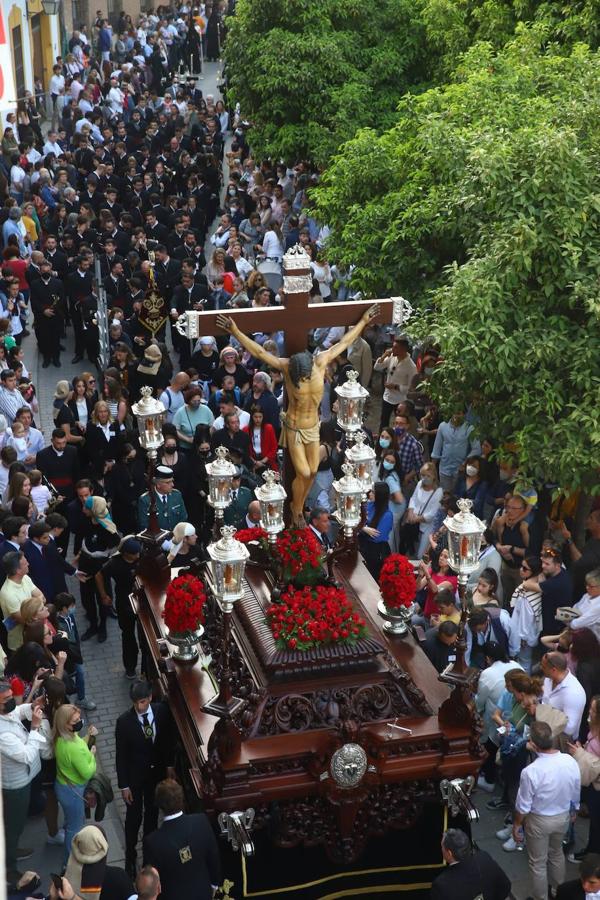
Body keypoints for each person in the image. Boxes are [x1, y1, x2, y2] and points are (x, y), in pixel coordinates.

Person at [216, 304, 380, 523]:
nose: (302, 381)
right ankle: (296, 508)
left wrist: (363, 322)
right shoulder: (286, 366)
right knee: (303, 472)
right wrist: (235, 331)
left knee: (312, 471)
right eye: (298, 380)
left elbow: (344, 342)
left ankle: (298, 506)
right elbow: (259, 352)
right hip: (294, 427)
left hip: (313, 426)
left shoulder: (321, 361)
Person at [513, 720, 581, 900]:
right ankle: (559, 891)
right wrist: (574, 809)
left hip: (539, 821)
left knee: (538, 863)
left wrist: (517, 824)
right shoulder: (569, 761)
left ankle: (540, 898)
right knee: (557, 853)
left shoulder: (531, 771)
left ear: (534, 745)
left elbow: (523, 805)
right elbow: (576, 789)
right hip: (562, 816)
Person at [116, 681, 175, 879]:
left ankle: (148, 857)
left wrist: (169, 765)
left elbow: (167, 741)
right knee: (133, 818)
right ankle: (130, 856)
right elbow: (121, 756)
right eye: (135, 703)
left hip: (155, 776)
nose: (139, 706)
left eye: (142, 702)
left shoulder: (161, 712)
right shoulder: (124, 722)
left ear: (149, 698)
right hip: (134, 778)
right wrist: (124, 785)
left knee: (152, 814)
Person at [0, 678, 46, 888]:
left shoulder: (6, 713)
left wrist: (33, 706)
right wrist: (34, 727)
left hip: (23, 779)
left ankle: (12, 849)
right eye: (6, 699)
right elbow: (26, 755)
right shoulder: (2, 734)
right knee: (13, 826)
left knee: (14, 824)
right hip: (16, 785)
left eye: (11, 696)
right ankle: (9, 869)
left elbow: (17, 712)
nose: (11, 701)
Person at [143, 778, 221, 900]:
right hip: (203, 893)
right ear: (181, 798)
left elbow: (151, 880)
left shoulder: (152, 842)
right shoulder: (201, 821)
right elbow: (213, 857)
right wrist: (214, 884)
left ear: (159, 805)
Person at [53, 703, 98, 866]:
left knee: (70, 820)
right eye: (75, 721)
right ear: (65, 724)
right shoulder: (72, 748)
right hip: (73, 793)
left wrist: (87, 737)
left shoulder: (62, 737)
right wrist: (92, 756)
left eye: (79, 718)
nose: (79, 722)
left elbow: (79, 744)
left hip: (64, 786)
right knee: (75, 827)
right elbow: (87, 772)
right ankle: (69, 862)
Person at [475, 642, 523, 792]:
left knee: (492, 746)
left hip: (505, 723)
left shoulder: (488, 674)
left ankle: (490, 779)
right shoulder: (516, 666)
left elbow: (480, 700)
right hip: (508, 720)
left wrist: (478, 710)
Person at [96, 538, 141, 679]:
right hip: (124, 603)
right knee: (128, 636)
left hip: (142, 601)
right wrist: (104, 595)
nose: (137, 556)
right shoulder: (114, 564)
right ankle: (130, 667)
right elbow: (99, 575)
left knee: (145, 635)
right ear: (125, 553)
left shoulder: (141, 558)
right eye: (134, 554)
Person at [78, 497, 121, 644]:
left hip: (101, 568)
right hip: (85, 565)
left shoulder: (108, 528)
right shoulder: (85, 521)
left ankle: (102, 626)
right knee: (87, 597)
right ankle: (93, 625)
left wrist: (105, 557)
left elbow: (116, 546)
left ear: (94, 510)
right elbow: (81, 539)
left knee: (103, 598)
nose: (83, 509)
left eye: (86, 507)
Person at [430, 828, 512, 900]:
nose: (441, 849)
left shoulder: (442, 885)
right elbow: (505, 887)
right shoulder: (484, 858)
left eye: (442, 847)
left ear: (449, 853)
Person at [522, 545, 573, 637]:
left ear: (557, 565)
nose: (543, 566)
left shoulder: (556, 583)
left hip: (554, 627)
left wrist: (539, 575)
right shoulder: (561, 572)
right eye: (542, 562)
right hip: (555, 620)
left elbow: (526, 585)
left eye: (547, 564)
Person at [0, 549, 44, 653]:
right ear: (18, 571)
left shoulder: (25, 578)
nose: (28, 563)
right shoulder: (8, 593)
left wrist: (34, 608)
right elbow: (27, 620)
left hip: (34, 638)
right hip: (21, 645)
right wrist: (38, 605)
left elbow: (42, 597)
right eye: (25, 563)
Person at [431, 409, 481, 492]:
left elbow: (477, 449)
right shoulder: (443, 426)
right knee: (444, 495)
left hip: (460, 470)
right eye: (454, 413)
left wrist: (465, 463)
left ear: (464, 415)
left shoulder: (470, 428)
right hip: (444, 468)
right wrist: (432, 466)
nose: (456, 416)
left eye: (459, 413)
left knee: (457, 496)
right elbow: (437, 448)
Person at [492, 494, 531, 602]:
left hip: (521, 570)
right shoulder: (501, 522)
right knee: (507, 597)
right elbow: (492, 538)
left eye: (514, 508)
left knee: (518, 600)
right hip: (506, 567)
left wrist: (511, 549)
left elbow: (531, 552)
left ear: (523, 510)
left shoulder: (525, 527)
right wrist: (499, 547)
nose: (509, 511)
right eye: (508, 507)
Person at [373, 337, 417, 432]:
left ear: (403, 349)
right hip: (387, 397)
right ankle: (382, 439)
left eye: (395, 347)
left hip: (400, 400)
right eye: (393, 347)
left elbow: (411, 388)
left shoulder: (411, 366)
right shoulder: (392, 357)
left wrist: (396, 387)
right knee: (383, 422)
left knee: (400, 424)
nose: (392, 349)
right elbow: (377, 367)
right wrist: (384, 356)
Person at [541, 651, 587, 739]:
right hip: (545, 731)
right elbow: (545, 701)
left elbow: (569, 728)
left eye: (543, 667)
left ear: (553, 670)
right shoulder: (548, 679)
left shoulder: (574, 693)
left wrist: (545, 714)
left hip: (560, 740)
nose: (541, 668)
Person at [510, 555, 543, 673]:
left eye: (525, 568)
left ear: (533, 572)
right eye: (521, 566)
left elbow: (527, 618)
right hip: (525, 633)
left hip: (524, 635)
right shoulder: (535, 586)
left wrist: (523, 638)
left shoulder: (527, 595)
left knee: (524, 663)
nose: (521, 570)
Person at [359, 481, 393, 580]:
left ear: (380, 495)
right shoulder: (370, 505)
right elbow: (357, 518)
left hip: (376, 552)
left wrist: (362, 527)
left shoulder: (387, 515)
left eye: (373, 492)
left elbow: (376, 536)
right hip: (364, 546)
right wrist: (364, 528)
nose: (370, 494)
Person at [138, 466, 187, 533]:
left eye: (172, 481)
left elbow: (183, 518)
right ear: (158, 485)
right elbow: (144, 526)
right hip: (158, 538)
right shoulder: (145, 500)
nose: (172, 485)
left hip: (176, 536)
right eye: (168, 482)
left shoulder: (177, 495)